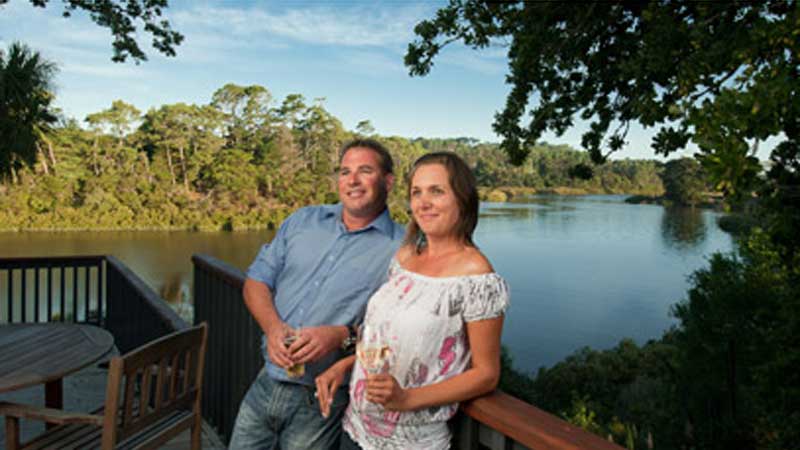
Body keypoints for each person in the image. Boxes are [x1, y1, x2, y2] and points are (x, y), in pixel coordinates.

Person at [315, 152, 509, 450]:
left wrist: (407, 399)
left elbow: (486, 374)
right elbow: (393, 340)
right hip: (354, 429)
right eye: (416, 192)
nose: (423, 202)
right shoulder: (405, 258)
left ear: (463, 198)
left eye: (437, 191)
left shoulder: (477, 277)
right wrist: (349, 365)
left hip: (411, 441)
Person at [229, 139, 405, 450]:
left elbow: (402, 336)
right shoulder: (302, 220)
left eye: (365, 171)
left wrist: (340, 337)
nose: (352, 180)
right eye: (345, 171)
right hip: (265, 381)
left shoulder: (404, 251)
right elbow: (257, 280)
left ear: (388, 181)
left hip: (322, 398)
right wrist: (272, 328)